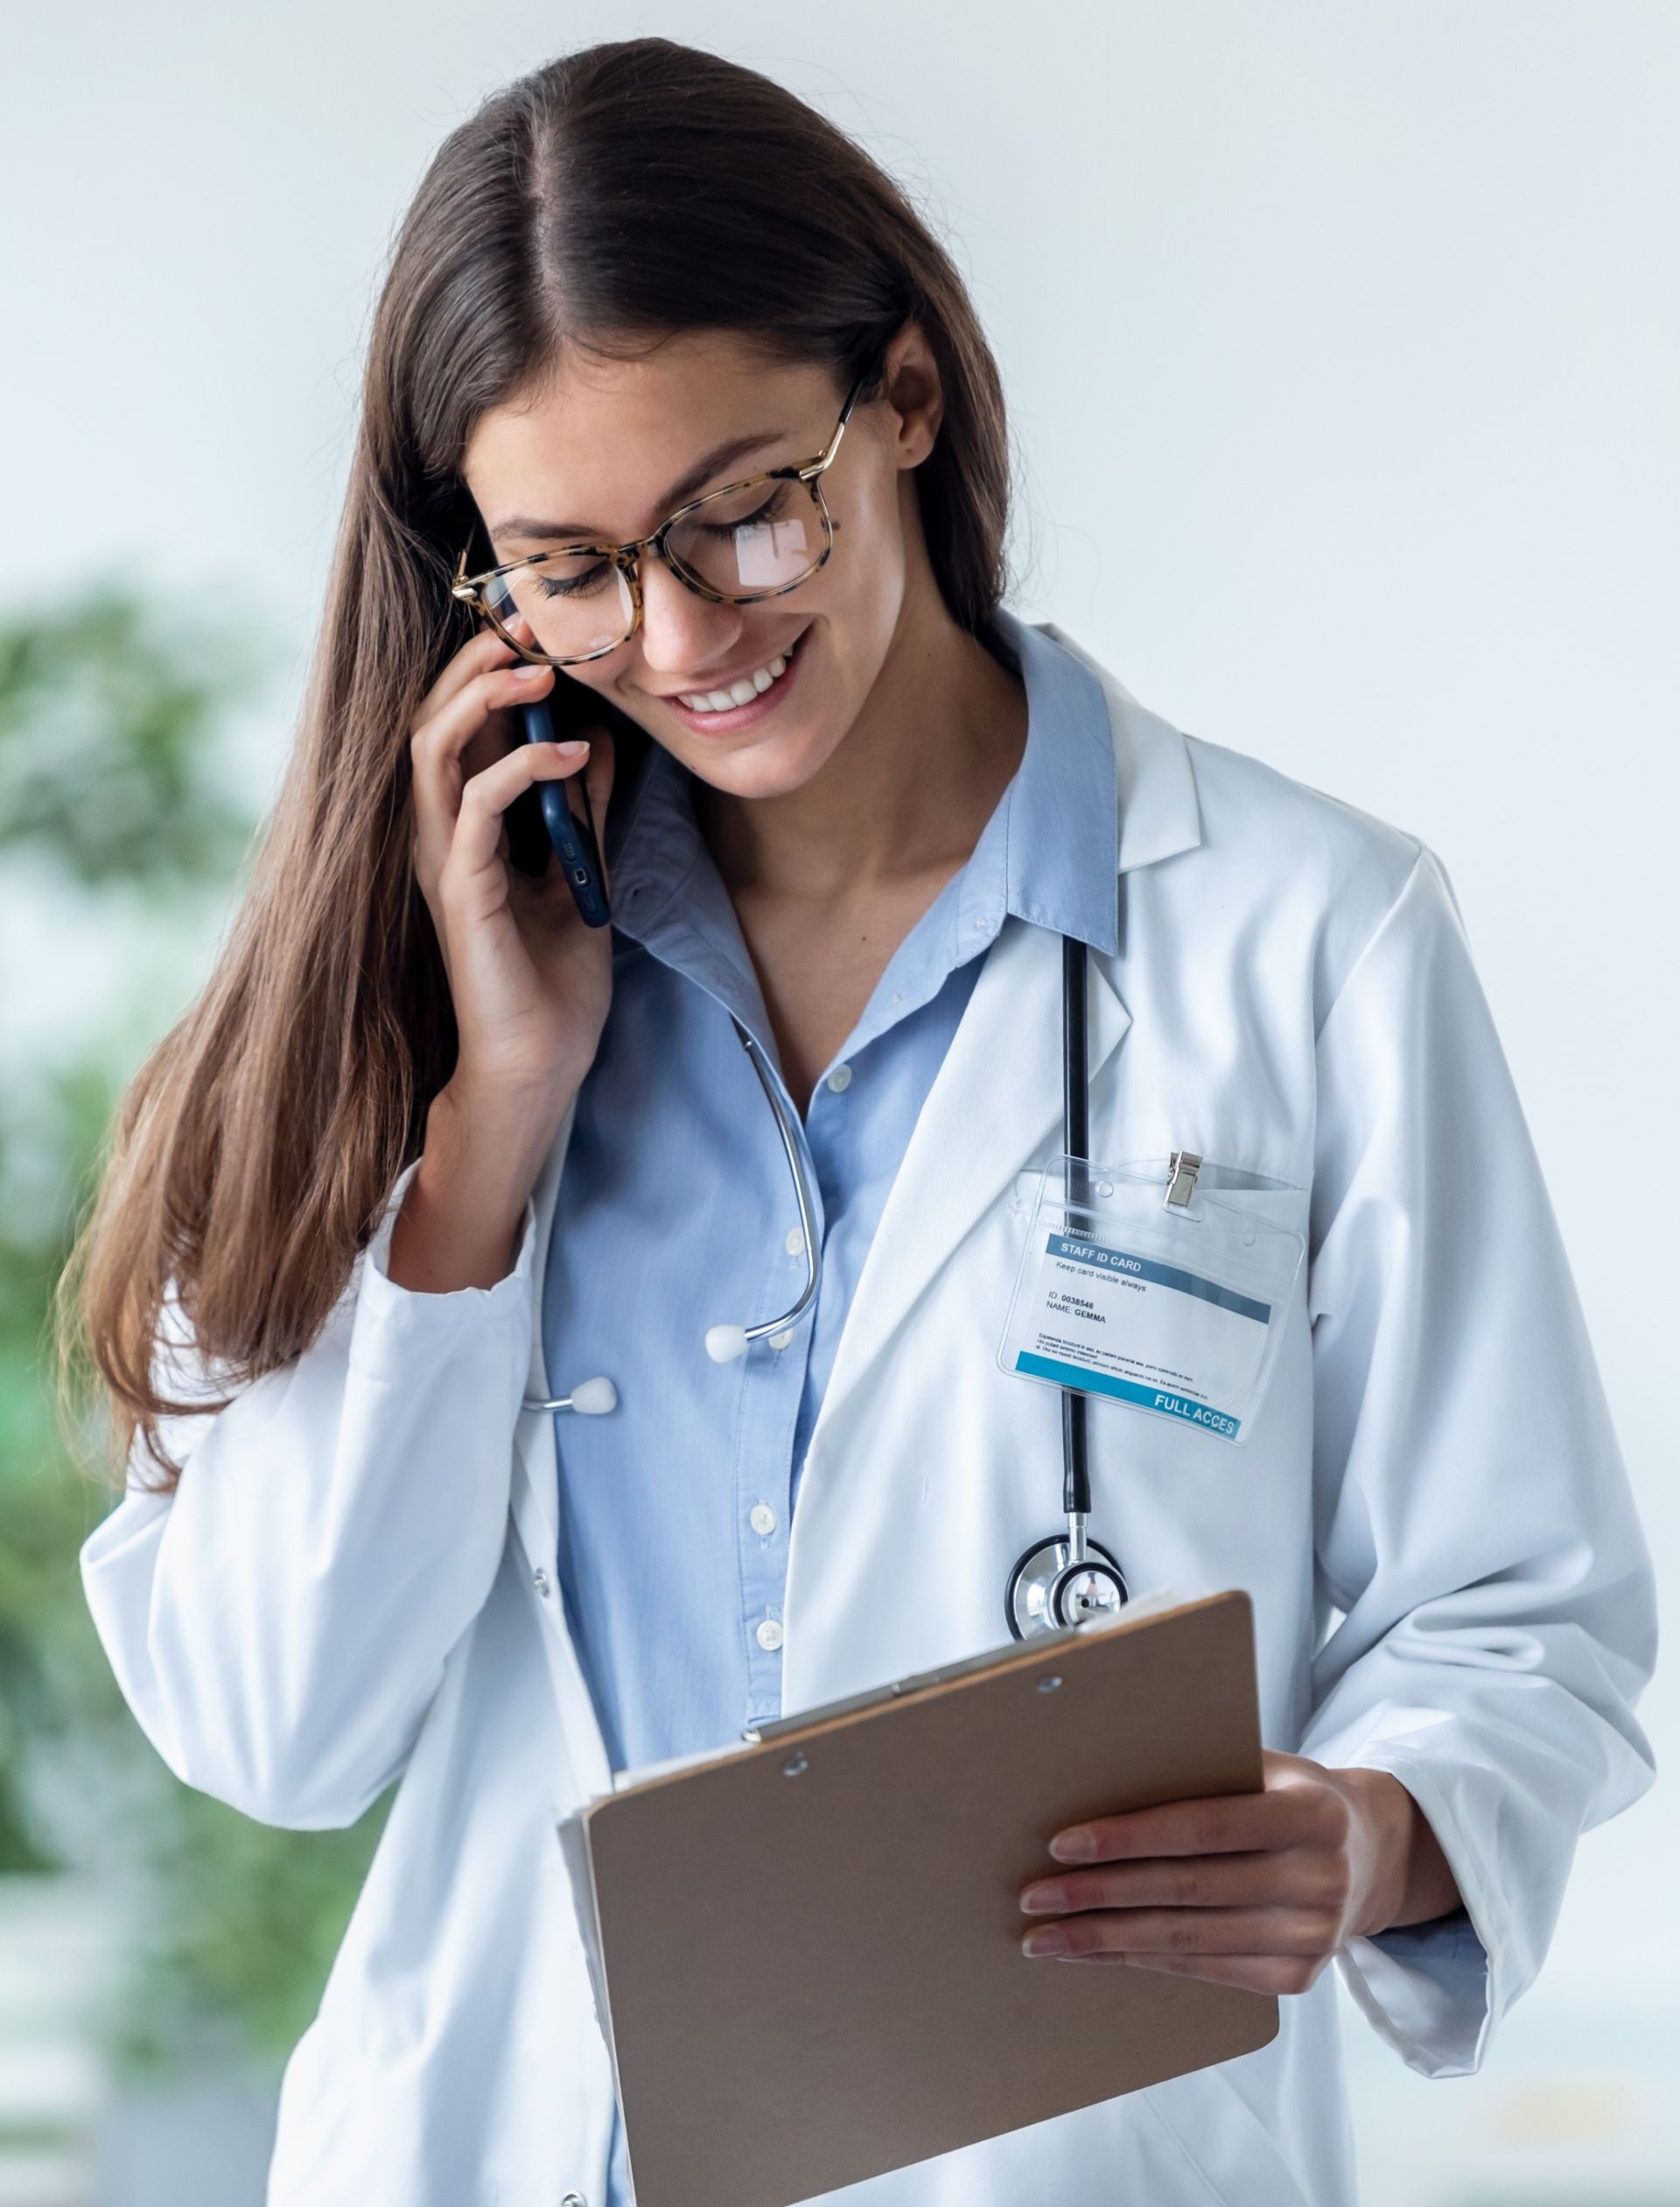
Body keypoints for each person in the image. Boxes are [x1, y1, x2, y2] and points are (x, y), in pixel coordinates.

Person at [69, 36, 1655, 2207]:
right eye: (571, 568)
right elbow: (275, 1727)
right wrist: (490, 1126)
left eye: (741, 505)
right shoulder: (422, 989)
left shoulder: (1305, 939)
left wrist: (1377, 1834)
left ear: (899, 395)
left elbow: (1526, 1611)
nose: (685, 633)